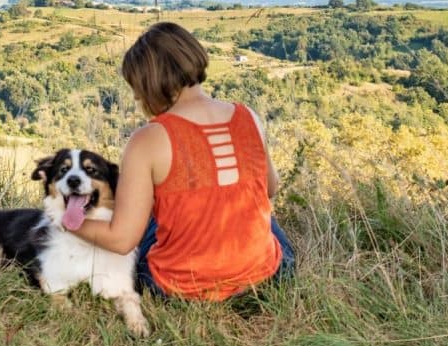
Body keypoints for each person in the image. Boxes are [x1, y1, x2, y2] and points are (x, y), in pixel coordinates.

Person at [65, 22, 295, 300]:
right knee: (262, 218)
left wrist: (67, 221)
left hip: (181, 288)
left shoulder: (147, 139)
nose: (136, 97)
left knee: (145, 219)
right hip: (265, 275)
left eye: (136, 87)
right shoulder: (249, 117)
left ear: (147, 83)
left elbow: (122, 239)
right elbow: (269, 188)